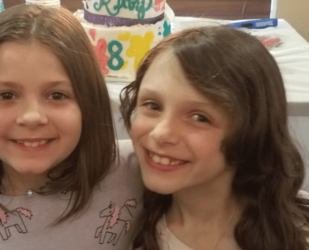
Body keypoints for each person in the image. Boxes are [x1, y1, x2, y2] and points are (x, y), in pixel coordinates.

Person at [0, 4, 143, 249]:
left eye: (57, 95)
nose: (32, 117)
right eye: (6, 95)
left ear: (88, 104)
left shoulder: (136, 171)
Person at [119, 26, 309, 250]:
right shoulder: (123, 213)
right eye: (153, 105)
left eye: (200, 117)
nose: (161, 133)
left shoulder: (297, 235)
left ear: (253, 130)